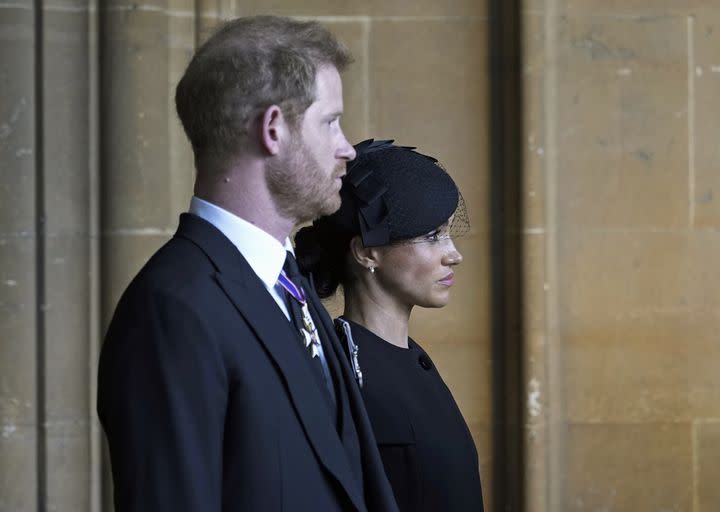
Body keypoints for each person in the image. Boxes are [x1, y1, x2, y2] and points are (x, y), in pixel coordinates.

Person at [97, 16, 399, 512]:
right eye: (330, 122)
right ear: (274, 129)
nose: (347, 148)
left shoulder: (287, 283)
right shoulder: (173, 311)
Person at [294, 139, 484, 512]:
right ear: (367, 252)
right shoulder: (342, 373)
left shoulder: (410, 358)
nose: (454, 255)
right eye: (432, 236)